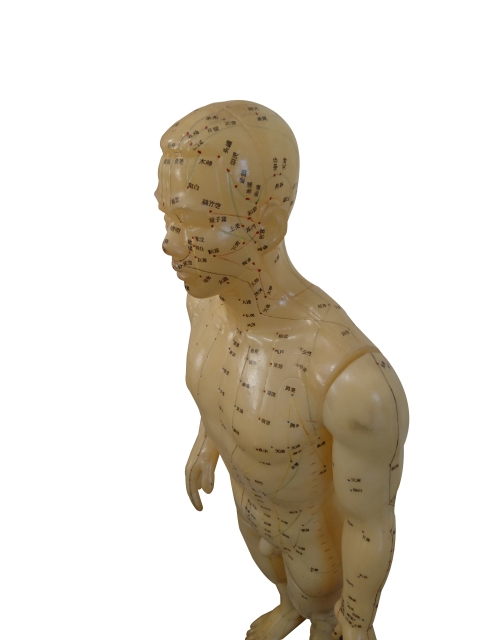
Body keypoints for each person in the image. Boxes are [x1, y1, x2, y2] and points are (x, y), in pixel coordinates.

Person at [155, 100, 408, 640]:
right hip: (253, 516)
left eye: (196, 223)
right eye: (168, 218)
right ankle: (289, 606)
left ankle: (321, 620)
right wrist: (207, 445)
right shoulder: (204, 304)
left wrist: (358, 622)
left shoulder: (350, 382)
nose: (169, 244)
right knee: (282, 580)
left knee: (318, 601)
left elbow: (369, 523)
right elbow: (218, 393)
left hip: (317, 551)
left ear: (267, 226)